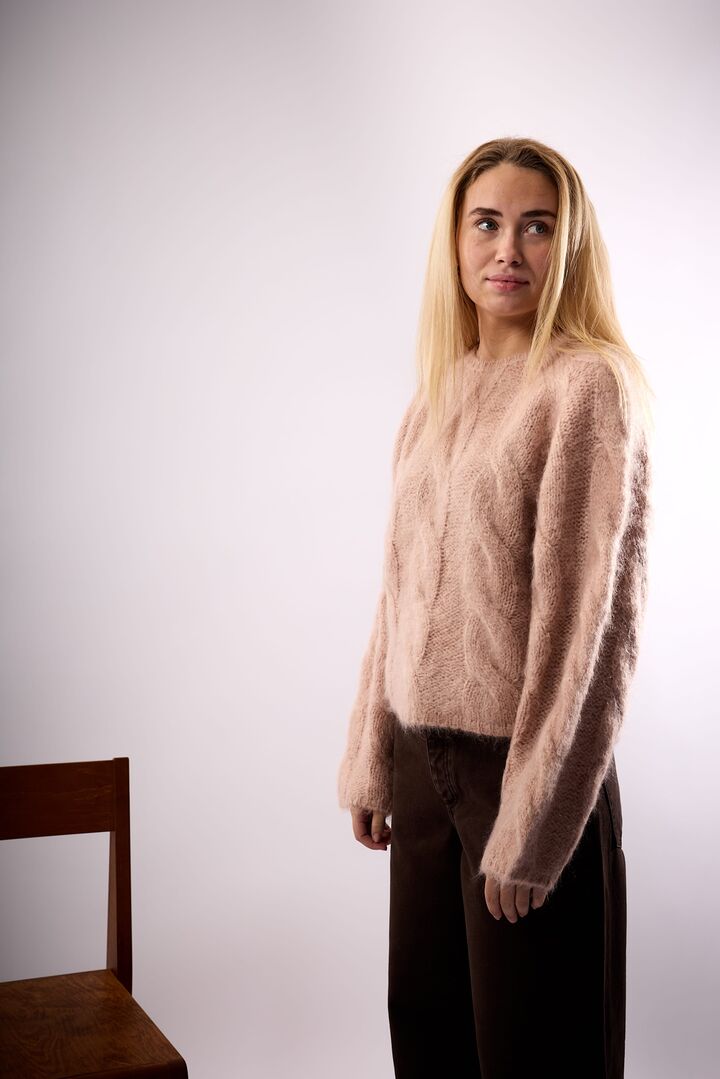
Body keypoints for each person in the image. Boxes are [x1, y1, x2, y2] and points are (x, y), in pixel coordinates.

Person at [336, 136, 654, 1078]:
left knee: (535, 1053)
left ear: (570, 245)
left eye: (537, 226)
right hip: (420, 767)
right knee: (428, 1042)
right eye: (487, 223)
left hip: (523, 770)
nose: (508, 249)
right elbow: (397, 593)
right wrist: (370, 753)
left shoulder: (585, 388)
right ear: (456, 240)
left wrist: (536, 819)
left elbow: (590, 631)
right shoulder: (432, 399)